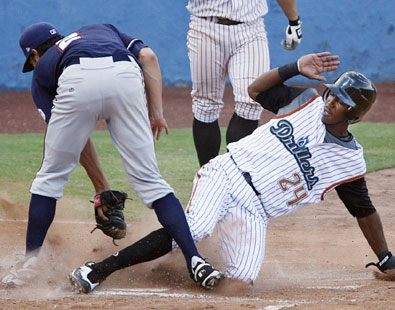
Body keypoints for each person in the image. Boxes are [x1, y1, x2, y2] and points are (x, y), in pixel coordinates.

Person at [68, 51, 395, 293]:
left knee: (238, 285)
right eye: (332, 93)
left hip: (255, 213)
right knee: (194, 229)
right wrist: (294, 68)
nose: (330, 101)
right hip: (228, 174)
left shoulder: (350, 163)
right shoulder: (306, 101)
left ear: (353, 114)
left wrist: (384, 257)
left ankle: (182, 270)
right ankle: (100, 269)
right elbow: (255, 91)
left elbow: (363, 211)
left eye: (339, 101)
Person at [1, 22, 221, 289]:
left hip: (75, 79)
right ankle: (196, 260)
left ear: (35, 54)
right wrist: (157, 113)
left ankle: (31, 263)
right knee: (152, 182)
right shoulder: (102, 29)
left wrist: (101, 188)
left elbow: (76, 142)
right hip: (125, 75)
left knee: (49, 179)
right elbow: (149, 58)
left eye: (31, 62)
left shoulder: (43, 73)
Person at [187, 0, 303, 166]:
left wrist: (294, 21)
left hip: (250, 28)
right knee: (206, 105)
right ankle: (208, 180)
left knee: (251, 103)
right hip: (205, 25)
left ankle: (236, 178)